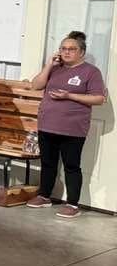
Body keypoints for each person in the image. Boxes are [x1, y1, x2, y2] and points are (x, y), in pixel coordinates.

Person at [25, 31, 106, 218]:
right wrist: (49, 65)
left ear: (81, 52)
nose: (66, 52)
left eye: (71, 49)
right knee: (47, 163)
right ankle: (44, 196)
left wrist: (69, 95)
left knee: (71, 165)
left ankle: (72, 204)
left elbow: (99, 98)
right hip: (47, 124)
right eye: (63, 49)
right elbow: (35, 85)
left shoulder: (91, 72)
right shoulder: (55, 68)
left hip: (73, 128)